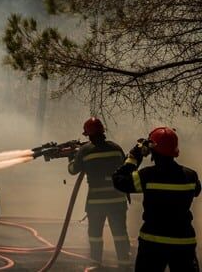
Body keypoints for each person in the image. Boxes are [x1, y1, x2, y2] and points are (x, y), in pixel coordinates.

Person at [113, 126, 201, 272]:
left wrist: (134, 157)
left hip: (152, 243)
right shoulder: (191, 176)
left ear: (152, 151)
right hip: (184, 243)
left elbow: (119, 181)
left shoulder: (146, 176)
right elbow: (197, 191)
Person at [69, 116, 130, 266]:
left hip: (96, 202)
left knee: (95, 234)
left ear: (88, 135)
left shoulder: (85, 151)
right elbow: (125, 168)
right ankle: (124, 262)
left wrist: (72, 157)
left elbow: (72, 170)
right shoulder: (116, 148)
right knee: (120, 233)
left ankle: (96, 263)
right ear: (103, 132)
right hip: (118, 200)